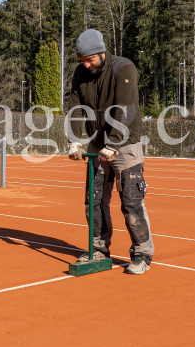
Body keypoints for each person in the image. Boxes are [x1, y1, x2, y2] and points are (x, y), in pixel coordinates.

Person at [65, 29, 154, 274]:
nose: (86, 64)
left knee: (131, 202)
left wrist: (112, 145)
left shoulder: (123, 68)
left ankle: (142, 253)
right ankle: (98, 248)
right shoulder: (80, 72)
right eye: (82, 60)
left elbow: (124, 110)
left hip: (124, 145)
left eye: (89, 59)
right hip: (96, 142)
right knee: (93, 201)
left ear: (101, 52)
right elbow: (75, 106)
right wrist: (74, 140)